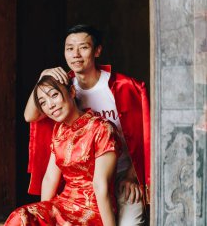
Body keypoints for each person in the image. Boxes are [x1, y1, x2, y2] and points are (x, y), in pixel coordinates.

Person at [24, 24, 150, 225]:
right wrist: (42, 78)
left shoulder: (123, 87)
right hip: (80, 185)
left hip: (121, 176)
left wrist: (132, 175)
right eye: (69, 48)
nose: (75, 54)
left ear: (97, 50)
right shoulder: (63, 87)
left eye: (83, 47)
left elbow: (146, 136)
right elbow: (31, 115)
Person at [5, 75, 120, 226]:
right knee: (20, 217)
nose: (50, 105)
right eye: (43, 103)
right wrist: (43, 215)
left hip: (93, 209)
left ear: (71, 92)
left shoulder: (101, 128)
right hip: (64, 204)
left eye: (54, 95)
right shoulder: (59, 130)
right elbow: (50, 178)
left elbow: (101, 185)